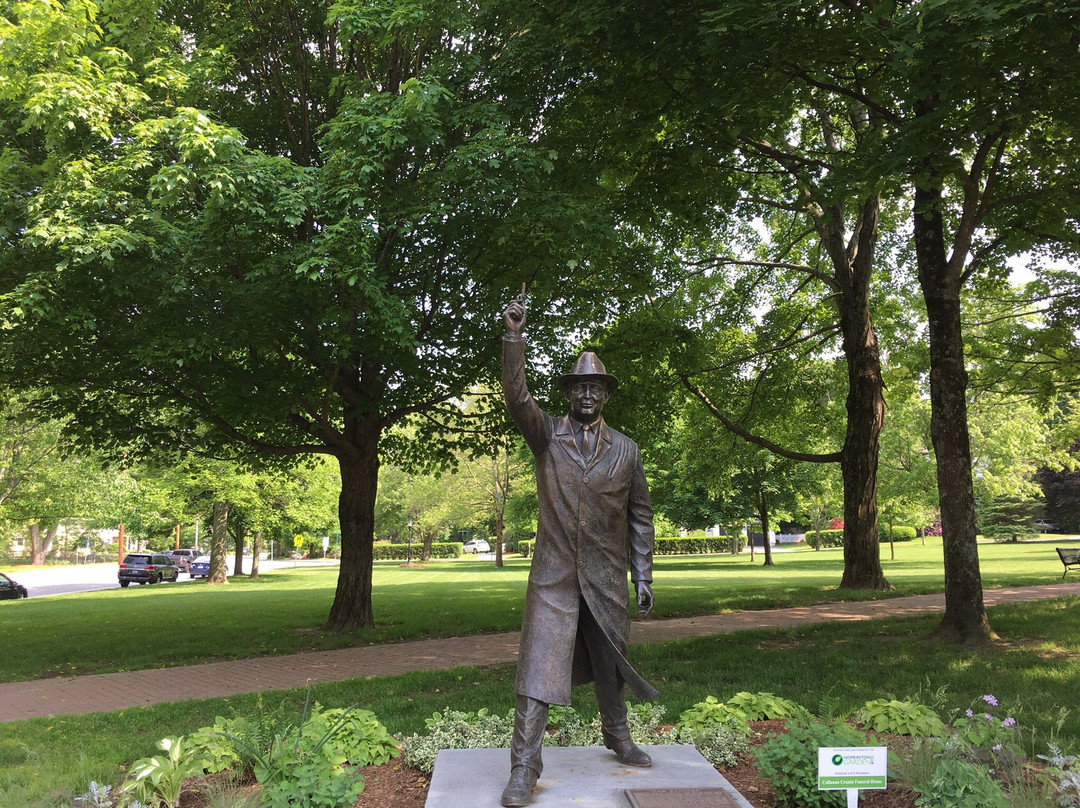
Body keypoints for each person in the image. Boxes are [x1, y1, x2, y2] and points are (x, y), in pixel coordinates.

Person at [500, 295, 658, 808]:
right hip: (553, 577)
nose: (586, 393)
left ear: (605, 394)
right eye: (578, 386)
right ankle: (524, 768)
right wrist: (514, 338)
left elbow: (640, 515)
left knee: (611, 663)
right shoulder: (547, 436)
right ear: (568, 393)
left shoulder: (627, 451)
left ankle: (618, 736)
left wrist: (643, 574)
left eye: (595, 386)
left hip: (607, 577)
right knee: (536, 671)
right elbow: (517, 396)